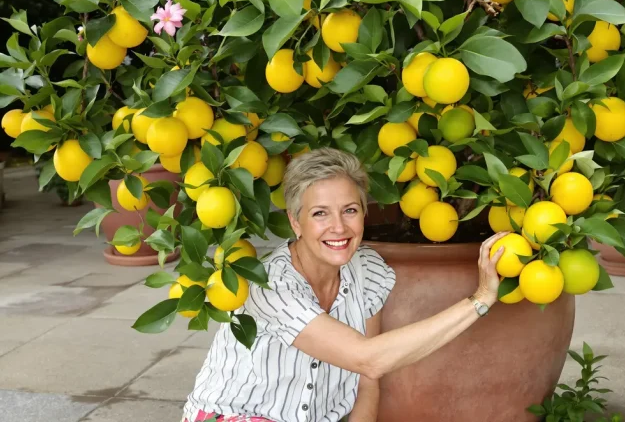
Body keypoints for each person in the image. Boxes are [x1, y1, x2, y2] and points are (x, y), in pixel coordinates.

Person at [182, 147, 507, 422]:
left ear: (364, 213)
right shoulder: (270, 285)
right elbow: (368, 358)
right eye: (320, 213)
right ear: (296, 221)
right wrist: (479, 299)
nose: (338, 227)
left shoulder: (366, 271)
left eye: (350, 210)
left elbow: (368, 380)